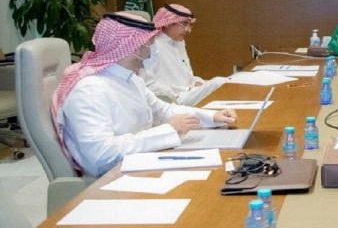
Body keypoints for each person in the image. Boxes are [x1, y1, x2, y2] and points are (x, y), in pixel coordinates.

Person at [51, 12, 237, 177]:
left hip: (140, 162)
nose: (154, 50)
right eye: (149, 43)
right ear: (131, 47)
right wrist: (168, 130)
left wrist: (212, 117)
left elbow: (162, 110)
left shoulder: (132, 79)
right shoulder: (90, 90)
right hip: (112, 178)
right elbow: (100, 156)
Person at [143, 4, 224, 106]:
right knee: (219, 82)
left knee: (230, 80)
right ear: (168, 23)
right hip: (173, 100)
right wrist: (174, 94)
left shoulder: (179, 43)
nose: (188, 30)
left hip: (188, 92)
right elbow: (147, 84)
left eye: (190, 25)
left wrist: (195, 82)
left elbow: (186, 75)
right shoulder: (152, 45)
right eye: (184, 24)